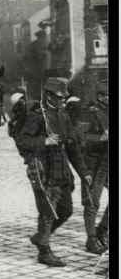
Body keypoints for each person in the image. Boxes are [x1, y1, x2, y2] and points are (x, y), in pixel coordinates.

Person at [11, 77, 91, 267]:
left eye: (64, 98)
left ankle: (40, 237)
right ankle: (44, 251)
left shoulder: (63, 115)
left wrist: (84, 172)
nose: (63, 101)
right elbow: (21, 140)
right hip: (42, 168)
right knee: (47, 211)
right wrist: (43, 141)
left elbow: (72, 147)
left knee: (66, 210)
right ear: (48, 96)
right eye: (59, 98)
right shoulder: (37, 115)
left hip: (61, 168)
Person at [75, 83, 109, 254]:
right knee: (92, 202)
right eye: (107, 96)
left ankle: (103, 230)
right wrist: (101, 137)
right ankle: (91, 239)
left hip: (108, 162)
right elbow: (80, 137)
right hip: (92, 163)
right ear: (100, 96)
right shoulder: (90, 112)